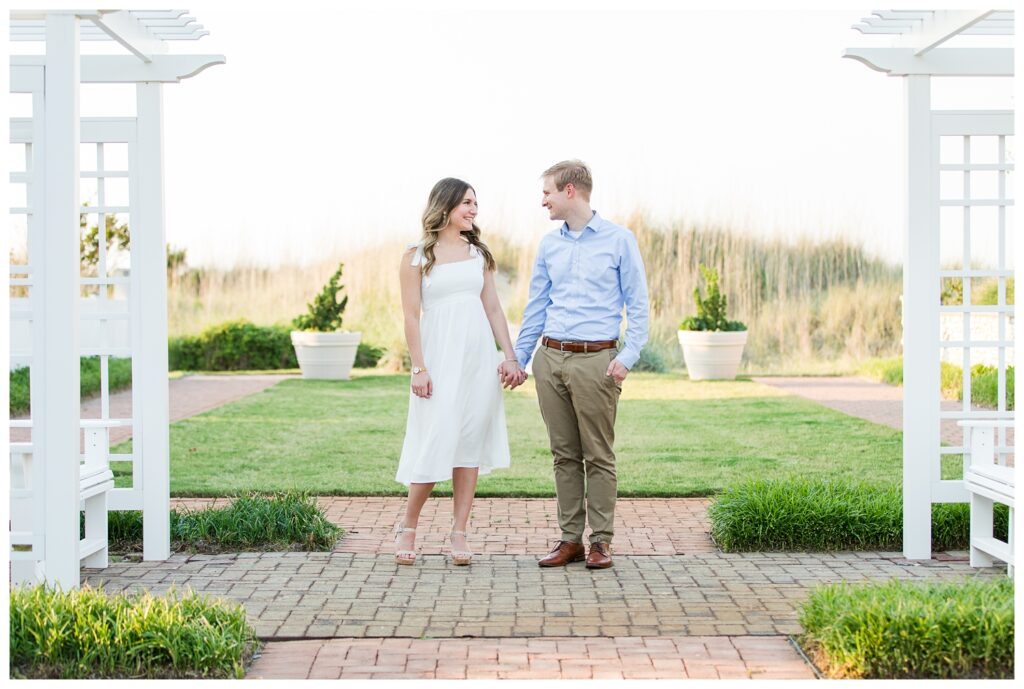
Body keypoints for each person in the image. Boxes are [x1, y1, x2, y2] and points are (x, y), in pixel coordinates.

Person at [511, 160, 649, 570]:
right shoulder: (549, 245)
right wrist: (520, 359)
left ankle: (601, 542)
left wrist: (627, 356)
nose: (543, 201)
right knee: (563, 455)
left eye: (548, 192)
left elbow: (638, 305)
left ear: (570, 191)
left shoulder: (619, 240)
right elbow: (536, 306)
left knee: (598, 455)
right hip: (550, 358)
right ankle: (570, 539)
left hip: (597, 361)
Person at [394, 177, 522, 566]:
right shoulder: (417, 255)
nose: (473, 210)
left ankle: (459, 532)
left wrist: (510, 356)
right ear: (446, 205)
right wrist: (419, 367)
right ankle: (408, 525)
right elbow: (411, 316)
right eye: (467, 203)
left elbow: (494, 309)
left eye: (475, 204)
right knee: (437, 437)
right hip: (438, 360)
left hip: (478, 360)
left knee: (469, 442)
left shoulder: (478, 253)